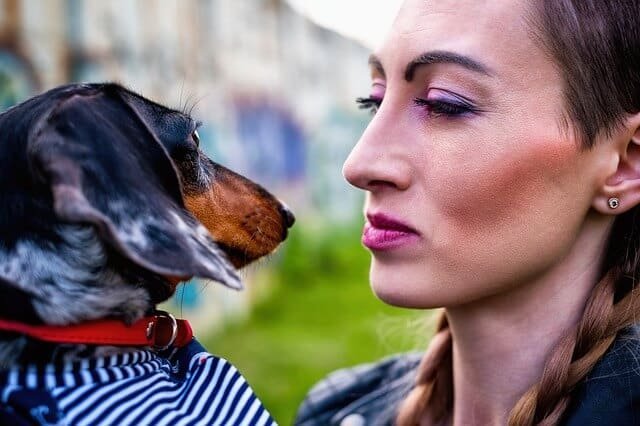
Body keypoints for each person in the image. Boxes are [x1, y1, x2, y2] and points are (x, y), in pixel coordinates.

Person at [294, 0, 640, 425]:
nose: (359, 165)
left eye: (445, 103)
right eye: (375, 100)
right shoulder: (336, 412)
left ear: (626, 162)